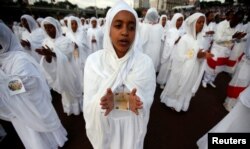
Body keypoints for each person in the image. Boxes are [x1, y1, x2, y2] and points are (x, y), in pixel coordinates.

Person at [83, 1, 156, 149]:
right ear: (108, 28)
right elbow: (90, 103)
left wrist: (117, 101)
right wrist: (123, 101)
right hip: (106, 124)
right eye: (118, 25)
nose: (125, 32)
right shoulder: (94, 62)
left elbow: (146, 99)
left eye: (131, 27)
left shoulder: (145, 63)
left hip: (132, 124)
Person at [0, 21, 67, 149]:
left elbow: (28, 83)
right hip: (19, 109)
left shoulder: (19, 59)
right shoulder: (3, 60)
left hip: (31, 105)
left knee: (41, 134)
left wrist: (4, 85)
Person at [160, 13, 214, 112]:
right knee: (176, 86)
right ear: (193, 23)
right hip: (182, 70)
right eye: (199, 22)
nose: (202, 24)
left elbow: (198, 53)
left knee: (187, 87)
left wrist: (203, 54)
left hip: (193, 68)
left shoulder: (199, 39)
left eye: (203, 22)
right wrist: (196, 55)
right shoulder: (185, 38)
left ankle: (181, 104)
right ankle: (171, 102)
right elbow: (179, 57)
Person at [36, 17, 83, 116]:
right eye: (46, 28)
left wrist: (52, 53)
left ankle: (77, 108)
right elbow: (47, 59)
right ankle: (69, 108)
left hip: (69, 70)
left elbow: (68, 55)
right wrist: (46, 55)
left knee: (72, 89)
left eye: (51, 27)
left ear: (56, 27)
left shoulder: (65, 40)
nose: (49, 30)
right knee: (65, 93)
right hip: (56, 70)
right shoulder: (45, 42)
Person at [157, 13, 184, 89]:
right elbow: (168, 43)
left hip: (176, 53)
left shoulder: (182, 31)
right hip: (169, 53)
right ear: (175, 20)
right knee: (165, 69)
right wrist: (178, 40)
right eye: (178, 20)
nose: (180, 22)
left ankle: (168, 82)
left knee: (172, 70)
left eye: (182, 20)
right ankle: (162, 81)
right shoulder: (171, 30)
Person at [223, 36, 250, 111]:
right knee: (236, 83)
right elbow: (248, 53)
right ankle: (227, 102)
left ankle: (232, 103)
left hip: (248, 66)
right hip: (246, 64)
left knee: (243, 85)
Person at [139, 7, 163, 72]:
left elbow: (141, 42)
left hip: (146, 53)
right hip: (154, 54)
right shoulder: (159, 27)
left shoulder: (143, 26)